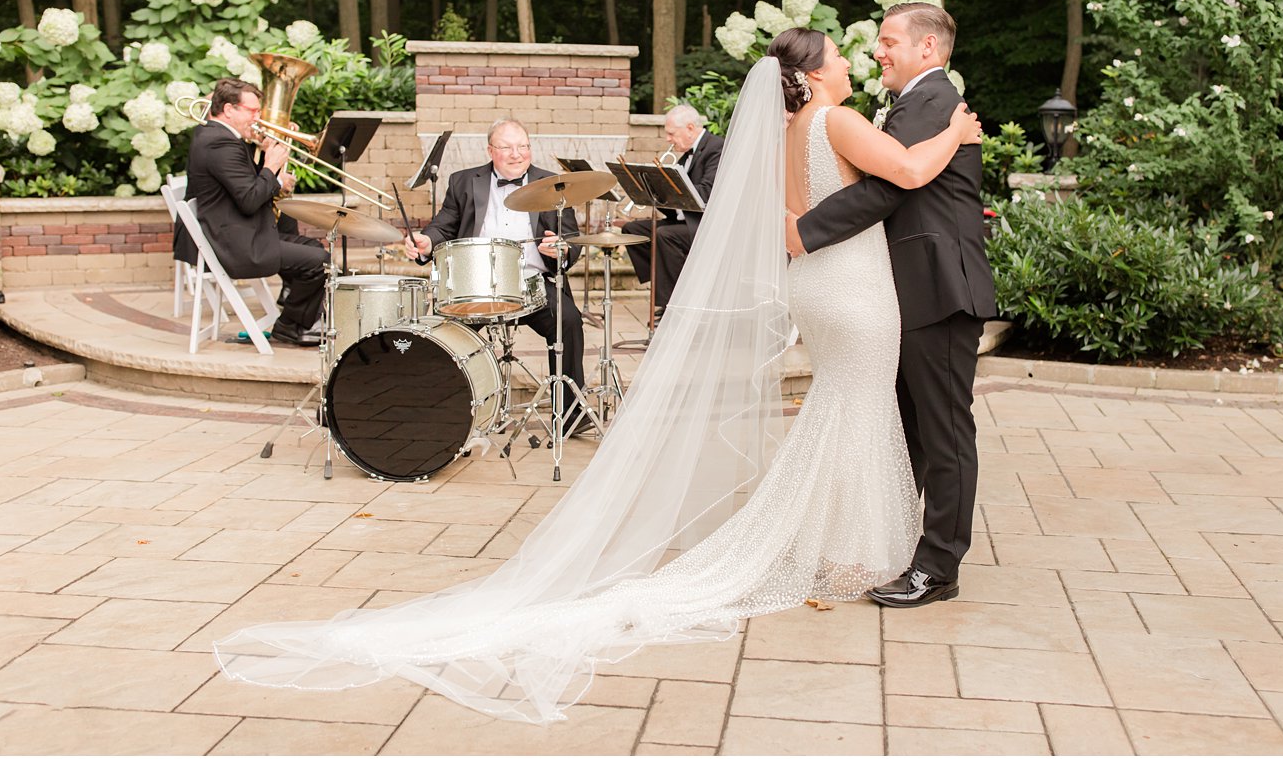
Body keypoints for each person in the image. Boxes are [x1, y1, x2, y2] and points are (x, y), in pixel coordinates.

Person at [214, 36, 982, 724]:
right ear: (813, 77)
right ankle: (852, 545)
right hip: (858, 288)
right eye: (845, 55)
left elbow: (790, 225)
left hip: (822, 282)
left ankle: (842, 542)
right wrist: (958, 130)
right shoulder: (842, 121)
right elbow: (904, 175)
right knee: (861, 408)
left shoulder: (786, 136)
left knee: (847, 407)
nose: (858, 58)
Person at [788, 3, 997, 608]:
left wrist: (803, 232)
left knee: (945, 431)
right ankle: (902, 548)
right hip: (907, 289)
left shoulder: (935, 102)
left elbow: (886, 187)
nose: (878, 51)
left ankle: (939, 567)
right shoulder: (915, 105)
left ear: (927, 48)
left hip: (940, 285)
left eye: (888, 41)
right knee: (910, 430)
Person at [401, 119, 588, 416]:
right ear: (490, 150)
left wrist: (562, 250)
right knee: (448, 332)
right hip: (476, 284)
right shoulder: (463, 181)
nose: (517, 154)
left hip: (532, 283)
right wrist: (425, 242)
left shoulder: (552, 183)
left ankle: (569, 414)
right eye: (507, 147)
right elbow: (443, 226)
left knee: (568, 321)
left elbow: (572, 239)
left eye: (523, 146)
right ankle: (457, 414)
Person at [172, 78, 328, 347]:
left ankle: (295, 322)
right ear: (229, 110)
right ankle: (292, 325)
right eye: (253, 111)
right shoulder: (220, 143)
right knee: (320, 260)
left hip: (235, 231)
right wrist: (272, 167)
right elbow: (249, 199)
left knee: (312, 247)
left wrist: (268, 162)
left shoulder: (215, 135)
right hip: (232, 243)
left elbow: (244, 185)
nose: (258, 118)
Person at [620, 104, 724, 317]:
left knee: (664, 235)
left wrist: (669, 189)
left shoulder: (716, 148)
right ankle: (667, 281)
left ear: (690, 128)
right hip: (686, 221)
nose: (668, 139)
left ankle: (672, 305)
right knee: (634, 230)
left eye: (671, 134)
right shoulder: (686, 154)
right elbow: (677, 199)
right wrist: (653, 191)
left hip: (707, 225)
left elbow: (706, 192)